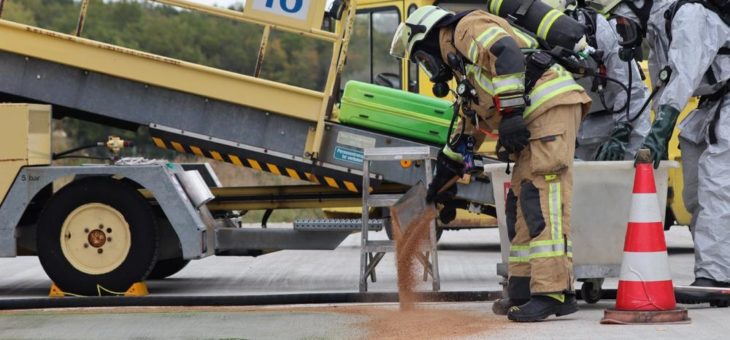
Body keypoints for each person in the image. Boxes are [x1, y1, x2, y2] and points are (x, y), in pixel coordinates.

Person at [390, 6, 591, 321]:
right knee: (521, 203)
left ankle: (552, 292)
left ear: (428, 38)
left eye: (421, 59)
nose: (427, 68)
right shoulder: (466, 70)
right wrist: (437, 189)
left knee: (542, 198)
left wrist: (510, 113)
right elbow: (464, 135)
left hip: (550, 110)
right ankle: (525, 290)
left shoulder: (465, 29)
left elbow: (505, 51)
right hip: (534, 119)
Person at [589, 0, 730, 305]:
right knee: (694, 194)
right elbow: (659, 83)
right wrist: (644, 129)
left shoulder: (689, 13)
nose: (621, 31)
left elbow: (685, 75)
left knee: (717, 188)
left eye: (621, 23)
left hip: (725, 102)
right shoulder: (657, 27)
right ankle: (718, 272)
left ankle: (718, 276)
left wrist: (663, 126)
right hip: (710, 105)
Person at [545, 0, 652, 161]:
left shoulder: (597, 28)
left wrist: (621, 133)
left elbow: (630, 88)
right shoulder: (537, 42)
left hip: (628, 114)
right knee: (584, 182)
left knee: (630, 178)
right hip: (585, 125)